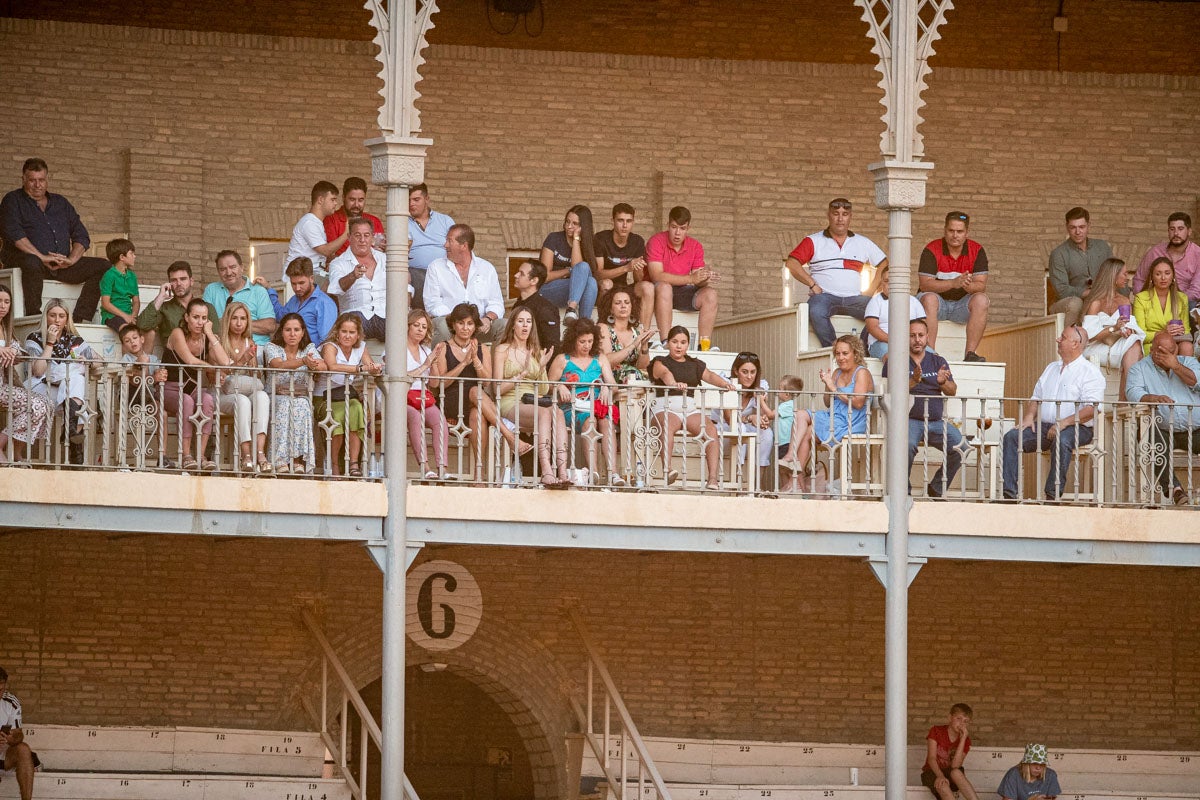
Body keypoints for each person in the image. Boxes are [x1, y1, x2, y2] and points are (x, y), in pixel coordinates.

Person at [1001, 325, 1105, 501]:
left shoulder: (1090, 372)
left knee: (1062, 439)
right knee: (1012, 437)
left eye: (1063, 337)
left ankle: (1052, 495)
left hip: (1078, 427)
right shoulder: (1051, 368)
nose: (1058, 339)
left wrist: (1063, 423)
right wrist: (1028, 417)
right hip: (1046, 427)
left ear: (1075, 344)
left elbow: (1092, 409)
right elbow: (1036, 397)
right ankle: (1009, 494)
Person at [0, 158, 108, 323]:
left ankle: (80, 317)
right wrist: (42, 257)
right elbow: (14, 234)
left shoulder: (60, 203)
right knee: (32, 261)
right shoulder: (12, 200)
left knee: (104, 266)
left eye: (41, 180)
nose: (38, 185)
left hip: (61, 264)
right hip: (27, 262)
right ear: (23, 179)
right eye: (32, 180)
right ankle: (34, 317)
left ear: (47, 179)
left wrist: (71, 260)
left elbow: (81, 235)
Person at [432, 302, 530, 477]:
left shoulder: (481, 348)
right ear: (453, 325)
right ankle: (509, 436)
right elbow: (441, 383)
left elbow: (486, 382)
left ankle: (479, 470)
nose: (465, 328)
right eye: (461, 323)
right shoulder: (443, 347)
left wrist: (475, 361)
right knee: (474, 392)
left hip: (476, 404)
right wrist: (463, 364)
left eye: (470, 323)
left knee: (477, 413)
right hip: (452, 400)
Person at [786, 198, 889, 347]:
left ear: (850, 216)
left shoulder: (862, 242)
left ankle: (861, 347)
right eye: (836, 214)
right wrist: (812, 284)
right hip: (825, 297)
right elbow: (792, 263)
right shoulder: (813, 240)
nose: (840, 219)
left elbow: (884, 263)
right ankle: (834, 348)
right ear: (828, 215)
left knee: (882, 310)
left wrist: (870, 290)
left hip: (855, 298)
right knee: (815, 310)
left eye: (845, 214)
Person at [884, 319, 970, 497]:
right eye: (912, 335)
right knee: (906, 446)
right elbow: (892, 391)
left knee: (962, 447)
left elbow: (952, 391)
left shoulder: (938, 361)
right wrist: (914, 381)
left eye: (920, 335)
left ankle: (937, 488)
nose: (917, 339)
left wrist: (942, 382)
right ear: (905, 338)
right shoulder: (895, 360)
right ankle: (902, 493)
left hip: (936, 422)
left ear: (927, 337)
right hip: (909, 420)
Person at [781, 334, 874, 492]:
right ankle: (791, 457)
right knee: (800, 414)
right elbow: (827, 402)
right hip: (833, 416)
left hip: (851, 421)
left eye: (845, 353)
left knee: (809, 431)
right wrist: (827, 384)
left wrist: (833, 388)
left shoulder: (862, 373)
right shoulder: (837, 373)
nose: (840, 357)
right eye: (837, 353)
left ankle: (796, 481)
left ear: (855, 354)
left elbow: (858, 402)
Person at [650, 325, 737, 489]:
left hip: (689, 409)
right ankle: (667, 470)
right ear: (668, 343)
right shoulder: (660, 361)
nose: (678, 345)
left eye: (683, 342)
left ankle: (712, 479)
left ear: (688, 345)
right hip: (665, 407)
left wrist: (724, 384)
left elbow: (710, 375)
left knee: (710, 429)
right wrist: (674, 384)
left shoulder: (694, 363)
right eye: (674, 341)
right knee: (667, 424)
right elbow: (664, 374)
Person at [493, 307, 568, 487]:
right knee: (544, 413)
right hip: (511, 400)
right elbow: (496, 388)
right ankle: (547, 470)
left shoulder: (534, 351)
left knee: (557, 412)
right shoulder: (502, 350)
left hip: (533, 401)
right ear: (512, 326)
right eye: (520, 321)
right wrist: (517, 378)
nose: (525, 325)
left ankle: (563, 471)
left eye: (528, 321)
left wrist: (541, 367)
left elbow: (542, 390)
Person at [1125, 330, 1200, 505]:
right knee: (1147, 435)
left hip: (1196, 430)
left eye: (1172, 351)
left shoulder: (1188, 362)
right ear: (1153, 351)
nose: (1169, 355)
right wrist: (1152, 398)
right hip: (1164, 431)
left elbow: (1198, 380)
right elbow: (1132, 393)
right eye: (1163, 352)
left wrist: (1176, 365)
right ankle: (1175, 491)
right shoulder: (1140, 368)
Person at [24, 299, 96, 464]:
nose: (57, 320)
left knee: (76, 379)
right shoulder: (35, 337)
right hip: (40, 390)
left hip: (64, 391)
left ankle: (70, 431)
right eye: (53, 315)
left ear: (67, 319)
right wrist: (49, 342)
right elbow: (38, 371)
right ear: (46, 317)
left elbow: (99, 361)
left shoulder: (74, 340)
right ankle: (74, 448)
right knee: (79, 400)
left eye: (61, 316)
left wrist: (88, 360)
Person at [549, 318, 620, 487]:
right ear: (573, 340)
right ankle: (593, 471)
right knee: (590, 421)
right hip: (572, 408)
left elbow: (614, 386)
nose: (586, 345)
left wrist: (605, 386)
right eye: (582, 342)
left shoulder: (600, 358)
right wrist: (559, 386)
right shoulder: (562, 359)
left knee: (607, 422)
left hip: (597, 406)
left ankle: (613, 473)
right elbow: (546, 386)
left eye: (590, 341)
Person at [163, 298, 230, 473]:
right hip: (170, 388)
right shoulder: (178, 333)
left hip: (194, 389)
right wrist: (214, 370)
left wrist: (209, 335)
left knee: (207, 399)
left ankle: (200, 455)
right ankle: (186, 455)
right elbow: (191, 361)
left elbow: (225, 363)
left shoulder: (206, 337)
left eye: (204, 318)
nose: (200, 322)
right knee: (186, 401)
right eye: (195, 317)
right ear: (186, 317)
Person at [316, 312, 382, 477]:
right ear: (337, 332)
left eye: (351, 332)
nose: (347, 335)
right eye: (344, 331)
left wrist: (375, 368)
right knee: (338, 415)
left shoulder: (361, 347)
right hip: (324, 397)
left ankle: (353, 463)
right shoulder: (330, 346)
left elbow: (369, 365)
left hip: (345, 396)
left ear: (357, 334)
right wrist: (359, 369)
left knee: (357, 409)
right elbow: (332, 365)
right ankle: (334, 465)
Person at [918, 211, 989, 361]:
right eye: (951, 230)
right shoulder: (932, 249)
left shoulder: (977, 250)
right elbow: (924, 285)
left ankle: (970, 354)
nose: (955, 235)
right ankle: (929, 353)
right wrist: (953, 283)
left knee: (981, 300)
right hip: (937, 305)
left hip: (961, 307)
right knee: (929, 298)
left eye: (959, 231)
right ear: (945, 230)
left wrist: (967, 286)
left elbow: (981, 285)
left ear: (967, 233)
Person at [647, 206, 720, 351]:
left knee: (710, 294)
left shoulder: (695, 245)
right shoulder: (656, 241)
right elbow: (657, 275)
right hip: (660, 293)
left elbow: (697, 278)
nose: (677, 232)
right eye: (674, 227)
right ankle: (666, 342)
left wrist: (705, 277)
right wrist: (691, 278)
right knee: (664, 286)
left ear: (688, 228)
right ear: (668, 225)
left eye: (682, 228)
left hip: (685, 292)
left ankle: (704, 346)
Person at [264, 313, 325, 475]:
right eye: (288, 330)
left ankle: (297, 459)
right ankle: (280, 459)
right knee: (285, 403)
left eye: (296, 330)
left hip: (299, 397)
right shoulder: (272, 347)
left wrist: (314, 365)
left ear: (303, 332)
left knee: (302, 405)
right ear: (281, 332)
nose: (292, 334)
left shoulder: (309, 348)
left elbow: (323, 366)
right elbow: (278, 365)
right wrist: (304, 362)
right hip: (274, 397)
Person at [425, 224, 506, 344]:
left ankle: (494, 362)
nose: (445, 245)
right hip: (449, 324)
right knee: (441, 324)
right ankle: (441, 362)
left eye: (449, 241)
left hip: (478, 327)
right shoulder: (436, 267)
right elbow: (432, 303)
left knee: (504, 325)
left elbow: (497, 303)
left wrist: (488, 319)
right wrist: (458, 321)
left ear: (463, 245)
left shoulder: (487, 268)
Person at [1079, 257, 1144, 400]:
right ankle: (1125, 400)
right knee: (1134, 349)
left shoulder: (1124, 301)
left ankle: (1123, 400)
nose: (1127, 278)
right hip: (1097, 347)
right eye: (1124, 274)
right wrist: (1113, 328)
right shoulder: (1096, 302)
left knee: (1134, 340)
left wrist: (1127, 330)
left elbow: (1131, 326)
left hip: (1118, 346)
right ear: (1113, 276)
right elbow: (1088, 336)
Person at [218, 301, 271, 474]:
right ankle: (246, 454)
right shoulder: (219, 341)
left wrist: (252, 361)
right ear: (228, 320)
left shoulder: (250, 341)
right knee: (242, 401)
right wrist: (241, 360)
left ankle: (260, 453)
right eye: (235, 318)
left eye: (243, 319)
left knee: (262, 396)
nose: (239, 323)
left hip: (245, 389)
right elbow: (218, 374)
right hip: (222, 394)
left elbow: (255, 377)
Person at [0, 285, 49, 464]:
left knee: (43, 404)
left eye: (7, 302)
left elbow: (16, 350)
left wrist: (17, 356)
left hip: (3, 386)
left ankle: (15, 449)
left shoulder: (6, 328)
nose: (3, 306)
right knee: (35, 404)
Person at [1048, 207, 1115, 326]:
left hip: (1099, 298)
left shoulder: (1103, 247)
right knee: (1076, 303)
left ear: (1089, 225)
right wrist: (1091, 293)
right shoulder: (1058, 254)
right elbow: (1062, 291)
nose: (1077, 232)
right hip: (1067, 302)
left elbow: (1115, 274)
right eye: (1073, 227)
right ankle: (1071, 340)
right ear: (1067, 227)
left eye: (1082, 227)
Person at [136, 260, 218, 356]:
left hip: (202, 359)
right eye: (174, 280)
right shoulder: (165, 308)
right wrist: (160, 297)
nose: (178, 284)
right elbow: (142, 325)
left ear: (191, 281)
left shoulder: (207, 307)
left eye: (183, 279)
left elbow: (217, 338)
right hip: (174, 360)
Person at [405, 309, 450, 480]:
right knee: (415, 418)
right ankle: (425, 467)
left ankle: (442, 468)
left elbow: (434, 383)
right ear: (408, 326)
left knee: (440, 421)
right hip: (403, 397)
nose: (420, 330)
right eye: (416, 325)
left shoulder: (425, 350)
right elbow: (403, 377)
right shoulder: (397, 347)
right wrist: (425, 364)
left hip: (423, 396)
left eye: (424, 327)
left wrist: (434, 362)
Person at [719, 351, 775, 486]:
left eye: (753, 372)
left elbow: (761, 414)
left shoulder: (761, 385)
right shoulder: (727, 383)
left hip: (743, 429)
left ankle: (757, 484)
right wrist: (750, 417)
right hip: (722, 430)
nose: (749, 376)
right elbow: (729, 419)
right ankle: (739, 482)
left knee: (767, 434)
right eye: (745, 372)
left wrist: (762, 418)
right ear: (736, 371)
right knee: (741, 428)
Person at [327, 218, 388, 341]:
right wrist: (353, 276)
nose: (362, 240)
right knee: (350, 324)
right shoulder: (338, 263)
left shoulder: (385, 259)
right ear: (349, 237)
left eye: (366, 235)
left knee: (406, 325)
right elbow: (335, 288)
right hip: (356, 315)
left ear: (372, 237)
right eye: (357, 235)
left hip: (384, 314)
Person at [594, 203, 653, 327]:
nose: (625, 225)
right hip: (602, 289)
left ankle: (643, 335)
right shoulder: (601, 238)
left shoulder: (637, 241)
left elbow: (638, 280)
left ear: (633, 222)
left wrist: (637, 268)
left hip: (623, 288)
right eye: (620, 220)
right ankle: (604, 329)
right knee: (606, 283)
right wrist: (626, 267)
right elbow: (598, 274)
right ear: (613, 221)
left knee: (647, 287)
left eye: (629, 221)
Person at [256, 256, 338, 345]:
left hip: (313, 356)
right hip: (290, 353)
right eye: (293, 284)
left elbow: (326, 342)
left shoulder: (324, 303)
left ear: (311, 279)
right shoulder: (294, 300)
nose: (297, 288)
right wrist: (269, 289)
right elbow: (280, 316)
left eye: (301, 283)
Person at [539, 205, 601, 322]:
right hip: (548, 290)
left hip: (574, 292)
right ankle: (572, 310)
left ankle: (583, 323)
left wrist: (576, 239)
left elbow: (579, 267)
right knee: (583, 268)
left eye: (575, 224)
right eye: (567, 222)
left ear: (583, 226)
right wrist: (570, 271)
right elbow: (545, 277)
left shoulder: (591, 244)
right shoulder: (554, 238)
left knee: (591, 281)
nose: (569, 226)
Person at [202, 250, 276, 345]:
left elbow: (269, 326)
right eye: (223, 269)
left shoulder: (258, 291)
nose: (228, 273)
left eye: (233, 267)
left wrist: (229, 323)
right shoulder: (211, 290)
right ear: (218, 272)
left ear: (241, 268)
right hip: (221, 348)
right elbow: (204, 322)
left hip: (256, 347)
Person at [1133, 212, 1200, 314]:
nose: (1176, 233)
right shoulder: (1155, 252)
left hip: (1183, 303)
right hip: (1154, 302)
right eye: (1172, 229)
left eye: (1180, 229)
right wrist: (1144, 300)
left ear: (1189, 231)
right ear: (1168, 231)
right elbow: (1139, 279)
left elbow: (1196, 290)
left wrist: (1171, 302)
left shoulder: (1197, 254)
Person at [407, 183, 455, 308]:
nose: (411, 204)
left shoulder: (445, 221)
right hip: (414, 273)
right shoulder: (402, 222)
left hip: (443, 271)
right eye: (408, 200)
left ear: (427, 199)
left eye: (416, 199)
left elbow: (456, 247)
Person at [1133, 256, 1193, 357]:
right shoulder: (1141, 298)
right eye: (1158, 274)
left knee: (1187, 346)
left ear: (1173, 276)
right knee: (1165, 347)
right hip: (1152, 344)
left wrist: (1180, 331)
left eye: (1167, 273)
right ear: (1152, 277)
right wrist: (1164, 332)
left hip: (1175, 342)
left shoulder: (1182, 298)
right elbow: (1140, 333)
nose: (1163, 278)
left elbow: (1186, 331)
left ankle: (1185, 372)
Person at [920, 703, 980, 800]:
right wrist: (940, 776)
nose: (961, 724)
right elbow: (931, 759)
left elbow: (955, 766)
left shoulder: (966, 740)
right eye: (958, 719)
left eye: (966, 721)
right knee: (942, 784)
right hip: (932, 772)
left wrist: (963, 739)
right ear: (950, 718)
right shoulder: (936, 731)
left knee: (956, 772)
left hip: (951, 775)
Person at [863, 264, 925, 359]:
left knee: (934, 357)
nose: (891, 284)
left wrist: (911, 341)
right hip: (881, 343)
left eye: (894, 281)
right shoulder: (875, 301)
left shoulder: (914, 301)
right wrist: (895, 341)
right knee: (893, 357)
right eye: (887, 281)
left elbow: (923, 327)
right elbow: (872, 327)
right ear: (882, 283)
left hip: (911, 343)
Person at [285, 180, 343, 281]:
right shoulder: (309, 223)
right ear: (320, 200)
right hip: (298, 278)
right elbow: (326, 250)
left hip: (311, 275)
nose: (336, 203)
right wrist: (347, 233)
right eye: (332, 199)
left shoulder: (317, 222)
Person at [597, 286, 655, 383]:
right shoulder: (603, 328)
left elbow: (642, 367)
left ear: (632, 307)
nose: (623, 306)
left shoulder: (638, 331)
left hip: (633, 378)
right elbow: (607, 361)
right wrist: (633, 345)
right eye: (618, 303)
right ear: (610, 309)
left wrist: (644, 347)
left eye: (627, 302)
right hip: (609, 377)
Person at [324, 176, 384, 259]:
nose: (356, 205)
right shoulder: (331, 219)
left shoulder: (374, 221)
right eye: (352, 199)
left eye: (360, 200)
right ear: (343, 197)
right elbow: (330, 255)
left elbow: (379, 252)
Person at [0, 666, 37, 800]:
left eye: (1, 689)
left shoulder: (10, 702)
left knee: (23, 749)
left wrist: (11, 738)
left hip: (2, 754)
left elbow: (19, 735)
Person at [512, 259, 561, 356]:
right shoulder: (517, 304)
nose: (516, 275)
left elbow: (551, 346)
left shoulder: (545, 308)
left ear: (534, 280)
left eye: (521, 274)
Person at [99, 237, 141, 334]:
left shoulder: (132, 276)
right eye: (132, 253)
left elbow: (136, 301)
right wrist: (125, 317)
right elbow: (105, 304)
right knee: (127, 332)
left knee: (147, 330)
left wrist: (133, 316)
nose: (134, 256)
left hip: (129, 316)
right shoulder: (109, 275)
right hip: (112, 316)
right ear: (122, 257)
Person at [997, 744, 1061, 800]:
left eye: (1042, 764)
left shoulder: (1050, 775)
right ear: (1026, 764)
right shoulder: (1013, 774)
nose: (1038, 768)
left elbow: (1052, 798)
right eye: (1034, 763)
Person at [774, 374, 804, 492]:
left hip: (786, 442)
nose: (777, 390)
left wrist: (761, 402)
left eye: (780, 388)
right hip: (783, 442)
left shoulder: (787, 405)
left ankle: (798, 489)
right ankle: (787, 488)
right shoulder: (788, 405)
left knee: (790, 469)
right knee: (783, 469)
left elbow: (772, 415)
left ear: (787, 394)